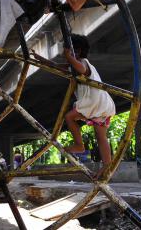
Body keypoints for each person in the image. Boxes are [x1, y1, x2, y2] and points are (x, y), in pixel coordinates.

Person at [58, 34, 115, 178]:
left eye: (70, 51)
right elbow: (57, 67)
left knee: (69, 117)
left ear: (76, 51)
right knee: (100, 136)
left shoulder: (83, 62)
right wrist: (39, 59)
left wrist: (68, 55)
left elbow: (82, 69)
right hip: (101, 103)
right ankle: (107, 166)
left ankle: (79, 145)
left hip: (94, 102)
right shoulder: (74, 65)